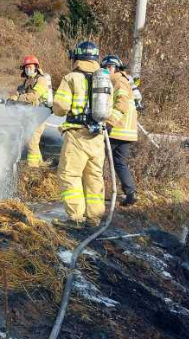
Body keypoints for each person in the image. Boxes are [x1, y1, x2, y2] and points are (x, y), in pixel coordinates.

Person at [52, 41, 131, 228]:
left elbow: (60, 107)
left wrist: (58, 106)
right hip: (97, 137)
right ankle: (94, 218)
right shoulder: (105, 80)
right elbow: (115, 107)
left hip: (77, 135)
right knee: (94, 176)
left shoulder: (71, 78)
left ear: (76, 57)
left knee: (69, 175)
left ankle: (75, 218)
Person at [100, 55, 138, 206]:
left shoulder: (117, 80)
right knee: (119, 162)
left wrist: (109, 123)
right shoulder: (125, 80)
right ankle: (130, 193)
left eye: (105, 68)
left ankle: (98, 192)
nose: (103, 72)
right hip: (126, 130)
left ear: (111, 67)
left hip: (117, 128)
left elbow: (121, 104)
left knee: (98, 159)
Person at [6, 55, 53, 167]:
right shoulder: (26, 82)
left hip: (40, 114)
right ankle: (41, 165)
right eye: (26, 68)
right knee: (31, 141)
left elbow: (34, 95)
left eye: (30, 67)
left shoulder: (41, 80)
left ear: (36, 67)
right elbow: (18, 93)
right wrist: (11, 100)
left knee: (32, 141)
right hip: (31, 115)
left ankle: (33, 168)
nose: (28, 69)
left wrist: (18, 101)